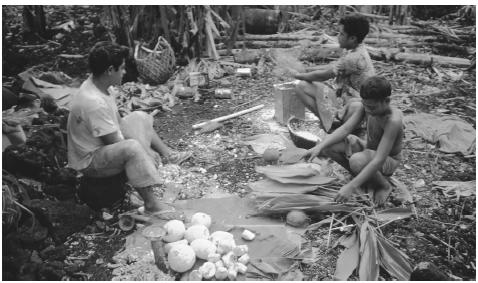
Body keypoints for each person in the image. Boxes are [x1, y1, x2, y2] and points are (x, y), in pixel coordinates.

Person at [67, 41, 191, 214]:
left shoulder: (101, 86)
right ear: (110, 70)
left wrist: (145, 149)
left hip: (104, 146)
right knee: (132, 148)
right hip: (90, 161)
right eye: (122, 68)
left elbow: (119, 122)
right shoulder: (93, 102)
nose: (124, 72)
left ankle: (169, 155)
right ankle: (151, 204)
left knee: (141, 117)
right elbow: (114, 141)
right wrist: (145, 151)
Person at [302, 76, 403, 206]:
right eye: (365, 105)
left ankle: (384, 185)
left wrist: (351, 187)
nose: (367, 110)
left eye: (372, 107)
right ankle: (360, 176)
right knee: (328, 146)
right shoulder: (366, 106)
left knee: (356, 160)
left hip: (387, 159)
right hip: (369, 150)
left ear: (386, 101)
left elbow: (379, 159)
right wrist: (319, 147)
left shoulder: (392, 120)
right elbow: (345, 129)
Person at [291, 14, 375, 133]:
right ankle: (331, 121)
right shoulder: (358, 50)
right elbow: (330, 68)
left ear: (352, 38)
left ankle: (332, 124)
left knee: (301, 87)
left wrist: (299, 75)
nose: (337, 36)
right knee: (310, 87)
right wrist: (307, 70)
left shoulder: (352, 58)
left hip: (356, 108)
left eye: (341, 34)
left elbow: (323, 75)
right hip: (353, 100)